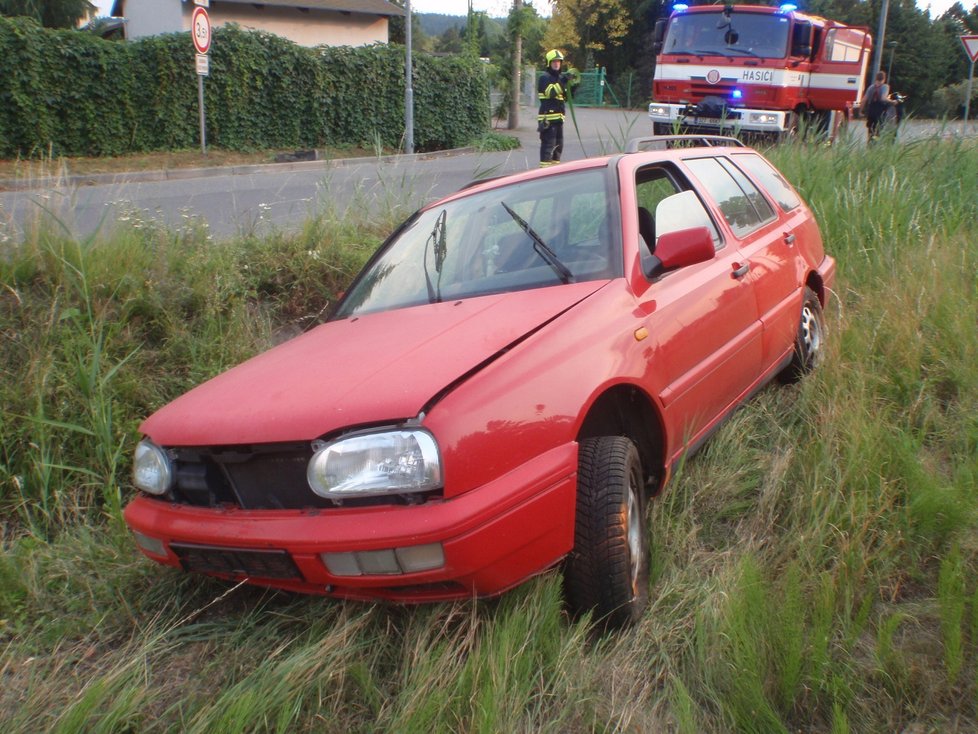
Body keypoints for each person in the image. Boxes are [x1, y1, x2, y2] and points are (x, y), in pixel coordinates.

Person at [537, 49, 579, 167]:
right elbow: (551, 93)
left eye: (559, 62)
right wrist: (564, 80)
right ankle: (544, 173)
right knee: (548, 148)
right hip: (548, 120)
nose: (556, 64)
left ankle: (555, 172)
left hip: (559, 120)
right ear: (549, 63)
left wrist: (573, 87)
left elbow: (564, 98)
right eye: (554, 61)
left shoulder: (560, 78)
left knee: (558, 148)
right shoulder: (544, 78)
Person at [862, 71, 896, 142]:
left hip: (871, 111)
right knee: (878, 130)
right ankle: (875, 145)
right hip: (879, 111)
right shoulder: (885, 86)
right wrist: (892, 101)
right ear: (884, 79)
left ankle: (870, 145)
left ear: (876, 78)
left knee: (871, 129)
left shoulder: (871, 87)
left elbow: (864, 99)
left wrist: (860, 111)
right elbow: (883, 98)